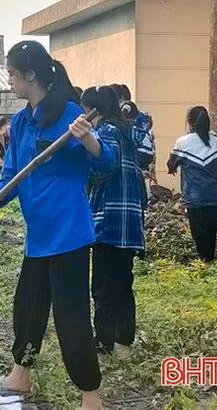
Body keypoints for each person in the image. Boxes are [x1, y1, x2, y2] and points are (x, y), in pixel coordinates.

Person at [0, 41, 111, 410]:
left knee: (71, 316)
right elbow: (11, 177)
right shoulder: (20, 122)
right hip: (39, 235)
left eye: (12, 73)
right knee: (28, 308)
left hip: (68, 233)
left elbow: (105, 164)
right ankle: (20, 377)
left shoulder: (70, 115)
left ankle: (90, 397)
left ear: (31, 74)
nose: (9, 80)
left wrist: (88, 139)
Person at [81, 86, 145, 359]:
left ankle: (103, 343)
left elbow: (105, 166)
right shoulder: (127, 132)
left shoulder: (105, 131)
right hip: (129, 221)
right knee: (122, 283)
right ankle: (123, 342)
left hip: (109, 219)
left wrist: (86, 143)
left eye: (85, 110)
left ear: (93, 110)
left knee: (103, 287)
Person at [167, 107, 217, 262]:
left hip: (194, 196)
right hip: (214, 194)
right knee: (211, 230)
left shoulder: (183, 142)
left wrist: (172, 169)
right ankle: (210, 260)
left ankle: (205, 261)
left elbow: (171, 163)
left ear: (189, 122)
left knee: (199, 232)